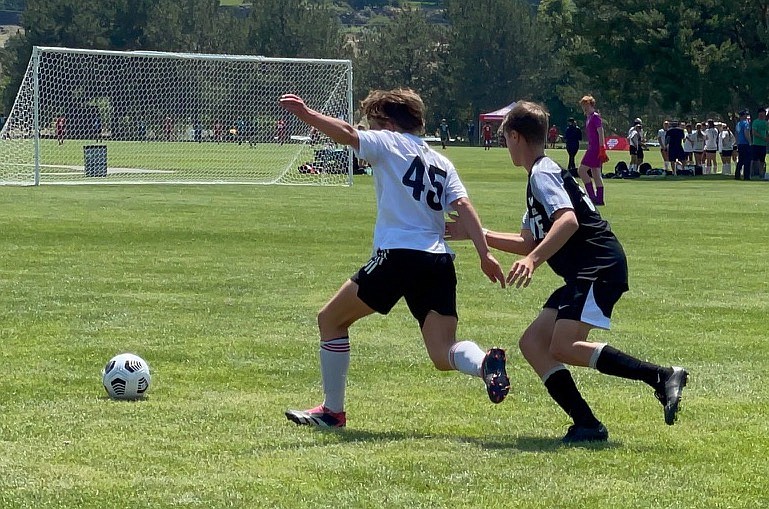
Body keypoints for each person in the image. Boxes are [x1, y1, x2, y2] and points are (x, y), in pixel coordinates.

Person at [447, 101, 688, 443]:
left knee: (563, 345)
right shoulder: (538, 177)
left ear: (515, 136)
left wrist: (534, 261)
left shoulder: (543, 173)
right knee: (533, 343)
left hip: (597, 265)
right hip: (584, 271)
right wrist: (477, 234)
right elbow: (526, 240)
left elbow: (568, 221)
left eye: (505, 138)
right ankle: (587, 423)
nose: (505, 146)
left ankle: (661, 376)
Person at [279, 88, 510, 428]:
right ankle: (483, 363)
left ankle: (332, 412)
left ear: (387, 122)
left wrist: (308, 115)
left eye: (374, 121)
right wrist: (484, 254)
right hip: (438, 261)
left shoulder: (388, 142)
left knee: (330, 320)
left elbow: (346, 133)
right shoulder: (442, 161)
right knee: (442, 352)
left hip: (398, 256)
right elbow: (464, 207)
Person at [577, 95, 607, 205]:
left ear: (591, 105)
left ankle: (592, 196)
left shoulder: (595, 117)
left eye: (585, 105)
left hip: (595, 148)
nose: (584, 108)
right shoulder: (589, 117)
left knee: (581, 170)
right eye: (583, 106)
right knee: (595, 173)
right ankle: (599, 199)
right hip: (592, 147)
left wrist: (602, 147)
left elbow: (600, 132)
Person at [734, 110, 752, 180]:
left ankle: (737, 175)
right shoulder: (746, 123)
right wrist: (750, 141)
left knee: (740, 160)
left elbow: (736, 134)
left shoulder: (738, 124)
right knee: (747, 160)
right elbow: (746, 133)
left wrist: (737, 142)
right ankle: (746, 176)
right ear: (744, 116)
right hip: (745, 144)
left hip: (740, 144)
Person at [750, 108, 767, 180]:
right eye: (761, 114)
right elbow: (754, 132)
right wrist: (762, 137)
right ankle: (751, 173)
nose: (762, 115)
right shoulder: (755, 122)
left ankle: (761, 174)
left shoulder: (766, 123)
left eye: (764, 114)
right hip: (756, 144)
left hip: (763, 145)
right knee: (754, 159)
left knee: (762, 160)